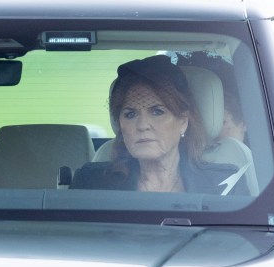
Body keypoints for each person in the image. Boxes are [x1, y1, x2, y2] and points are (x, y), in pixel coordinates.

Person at [72, 55, 241, 194]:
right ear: (120, 124)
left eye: (157, 112)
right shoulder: (90, 183)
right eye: (130, 114)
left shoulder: (227, 184)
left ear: (183, 121)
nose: (143, 125)